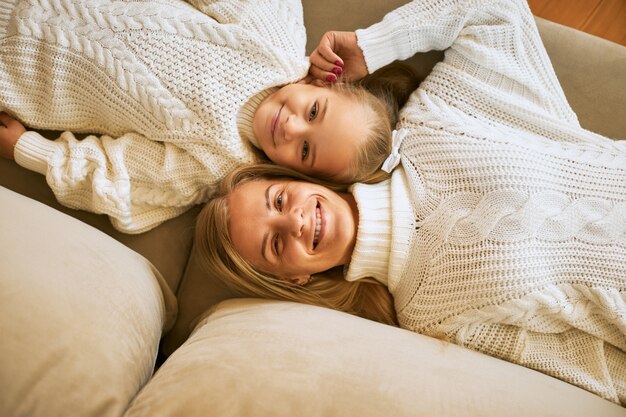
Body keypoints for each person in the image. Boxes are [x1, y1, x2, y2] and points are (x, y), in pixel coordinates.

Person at [194, 0, 626, 405]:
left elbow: (495, 11)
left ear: (299, 177)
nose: (294, 222)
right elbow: (593, 369)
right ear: (294, 280)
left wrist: (374, 45)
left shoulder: (435, 121)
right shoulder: (429, 319)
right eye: (274, 244)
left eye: (280, 199)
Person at [0, 0, 417, 233]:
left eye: (305, 150)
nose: (291, 126)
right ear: (323, 84)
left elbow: (119, 179)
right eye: (313, 111)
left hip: (21, 70)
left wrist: (28, 149)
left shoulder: (215, 164)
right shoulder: (273, 38)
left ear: (295, 174)